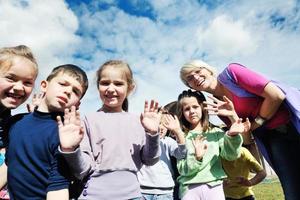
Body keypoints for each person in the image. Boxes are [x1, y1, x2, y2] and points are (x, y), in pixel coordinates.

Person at [180, 60, 300, 200]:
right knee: (292, 190)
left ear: (209, 70)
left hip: (290, 126)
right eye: (189, 78)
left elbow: (276, 95)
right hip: (272, 139)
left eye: (198, 71)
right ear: (190, 86)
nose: (195, 77)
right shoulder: (219, 108)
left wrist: (256, 123)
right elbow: (247, 139)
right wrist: (233, 116)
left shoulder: (232, 73)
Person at [58, 60, 161, 200]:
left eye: (118, 84)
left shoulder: (139, 122)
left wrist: (153, 134)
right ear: (98, 86)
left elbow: (150, 160)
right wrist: (70, 150)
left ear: (130, 88)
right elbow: (81, 170)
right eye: (105, 83)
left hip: (133, 196)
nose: (111, 89)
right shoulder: (87, 121)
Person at [5, 64, 88, 200]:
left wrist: (68, 148)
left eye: (75, 91)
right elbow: (9, 165)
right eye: (63, 84)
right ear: (44, 85)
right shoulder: (15, 123)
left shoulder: (65, 135)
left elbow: (59, 186)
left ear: (77, 104)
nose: (67, 91)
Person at [175, 89, 247, 200]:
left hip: (214, 187)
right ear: (182, 113)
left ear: (203, 108)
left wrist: (232, 136)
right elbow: (181, 169)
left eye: (195, 106)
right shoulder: (181, 137)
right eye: (187, 109)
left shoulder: (216, 132)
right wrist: (197, 158)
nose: (192, 111)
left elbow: (231, 155)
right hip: (188, 188)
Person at [0, 45, 38, 199]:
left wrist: (34, 125)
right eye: (10, 78)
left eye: (27, 83)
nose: (18, 87)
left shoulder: (8, 119)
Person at [137, 102, 186, 200]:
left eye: (165, 124)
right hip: (142, 191)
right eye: (158, 123)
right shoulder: (141, 140)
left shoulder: (167, 142)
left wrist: (178, 131)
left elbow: (182, 154)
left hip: (165, 192)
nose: (161, 127)